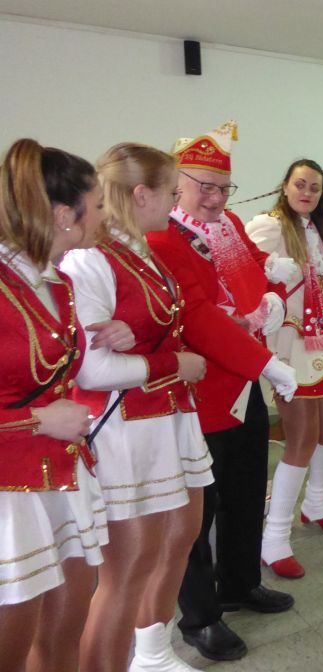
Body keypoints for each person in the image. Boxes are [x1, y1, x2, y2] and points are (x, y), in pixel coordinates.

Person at [148, 122, 298, 662]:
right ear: (176, 185)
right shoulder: (163, 238)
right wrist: (262, 356)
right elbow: (197, 315)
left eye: (223, 187)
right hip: (200, 389)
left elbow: (258, 271)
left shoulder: (230, 224)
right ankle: (199, 617)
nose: (215, 198)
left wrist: (275, 296)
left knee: (245, 487)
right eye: (204, 186)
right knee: (199, 508)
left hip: (244, 380)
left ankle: (239, 582)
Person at [62, 143, 212, 672]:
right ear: (143, 194)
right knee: (126, 569)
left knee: (178, 538)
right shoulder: (90, 258)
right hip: (122, 427)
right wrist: (172, 363)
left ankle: (152, 655)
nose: (175, 202)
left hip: (167, 417)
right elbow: (92, 370)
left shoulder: (142, 250)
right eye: (172, 192)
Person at [0, 139, 113, 672]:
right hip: (9, 495)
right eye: (98, 206)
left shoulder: (58, 282)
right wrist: (39, 420)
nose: (105, 218)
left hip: (63, 477)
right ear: (66, 215)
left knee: (64, 634)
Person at [247, 159, 323, 578]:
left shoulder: (317, 230)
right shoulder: (268, 226)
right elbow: (240, 276)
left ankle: (315, 504)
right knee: (303, 437)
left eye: (315, 187)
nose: (308, 193)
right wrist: (267, 275)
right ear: (285, 186)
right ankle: (274, 539)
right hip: (291, 345)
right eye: (301, 184)